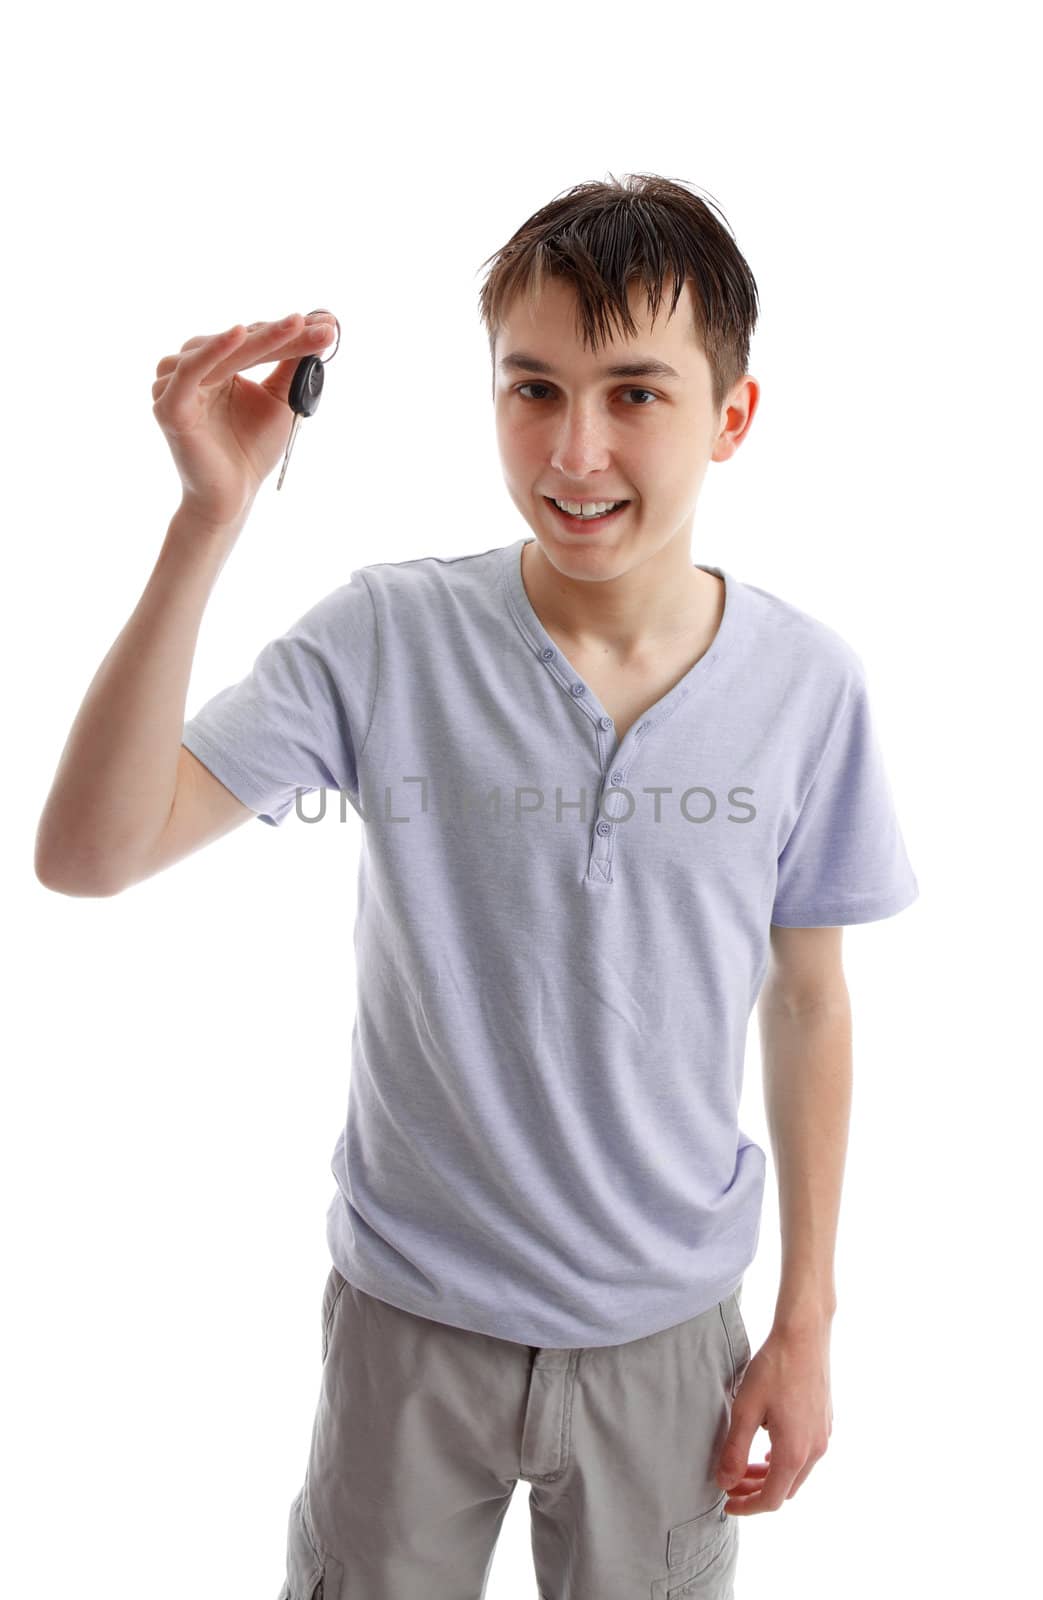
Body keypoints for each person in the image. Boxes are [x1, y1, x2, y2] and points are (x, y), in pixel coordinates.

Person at [35, 173, 919, 1600]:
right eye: (533, 389)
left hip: (667, 1340)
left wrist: (805, 1321)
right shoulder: (390, 635)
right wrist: (211, 518)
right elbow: (90, 854)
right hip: (408, 1329)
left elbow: (811, 1002)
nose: (575, 450)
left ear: (731, 418)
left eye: (636, 394)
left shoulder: (809, 688)